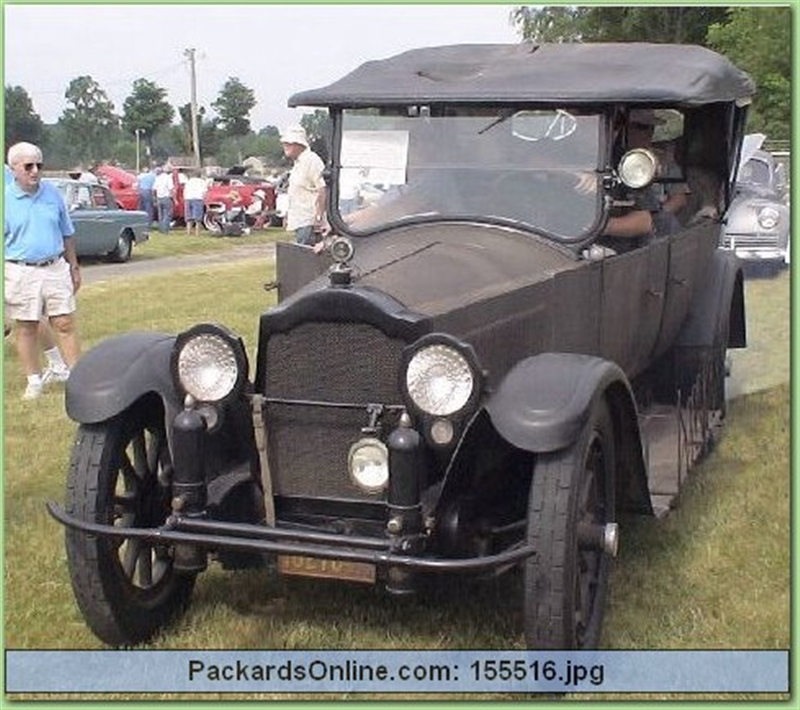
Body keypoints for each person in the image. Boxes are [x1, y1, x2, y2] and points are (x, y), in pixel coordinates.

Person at [4, 142, 81, 400]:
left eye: (39, 165)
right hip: (20, 269)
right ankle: (34, 379)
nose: (35, 171)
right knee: (27, 325)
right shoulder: (6, 199)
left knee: (64, 322)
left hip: (55, 265)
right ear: (14, 169)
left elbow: (67, 232)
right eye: (28, 166)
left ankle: (77, 378)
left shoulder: (52, 194)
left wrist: (74, 265)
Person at [280, 125, 328, 245]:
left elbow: (322, 189)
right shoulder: (298, 163)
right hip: (301, 220)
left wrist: (319, 217)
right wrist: (288, 214)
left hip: (309, 222)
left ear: (298, 144)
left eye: (288, 143)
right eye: (285, 143)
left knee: (306, 258)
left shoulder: (311, 160)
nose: (285, 146)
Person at [183, 171, 208, 236]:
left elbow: (185, 190)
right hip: (198, 198)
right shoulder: (202, 182)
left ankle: (188, 233)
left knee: (189, 218)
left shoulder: (189, 181)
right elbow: (205, 192)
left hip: (188, 199)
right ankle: (197, 233)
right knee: (198, 219)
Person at [153, 164, 175, 233]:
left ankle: (161, 229)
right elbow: (171, 188)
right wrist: (174, 198)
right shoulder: (168, 178)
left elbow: (154, 189)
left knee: (161, 215)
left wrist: (155, 198)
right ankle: (165, 230)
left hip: (159, 198)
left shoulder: (158, 178)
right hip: (166, 197)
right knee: (167, 214)